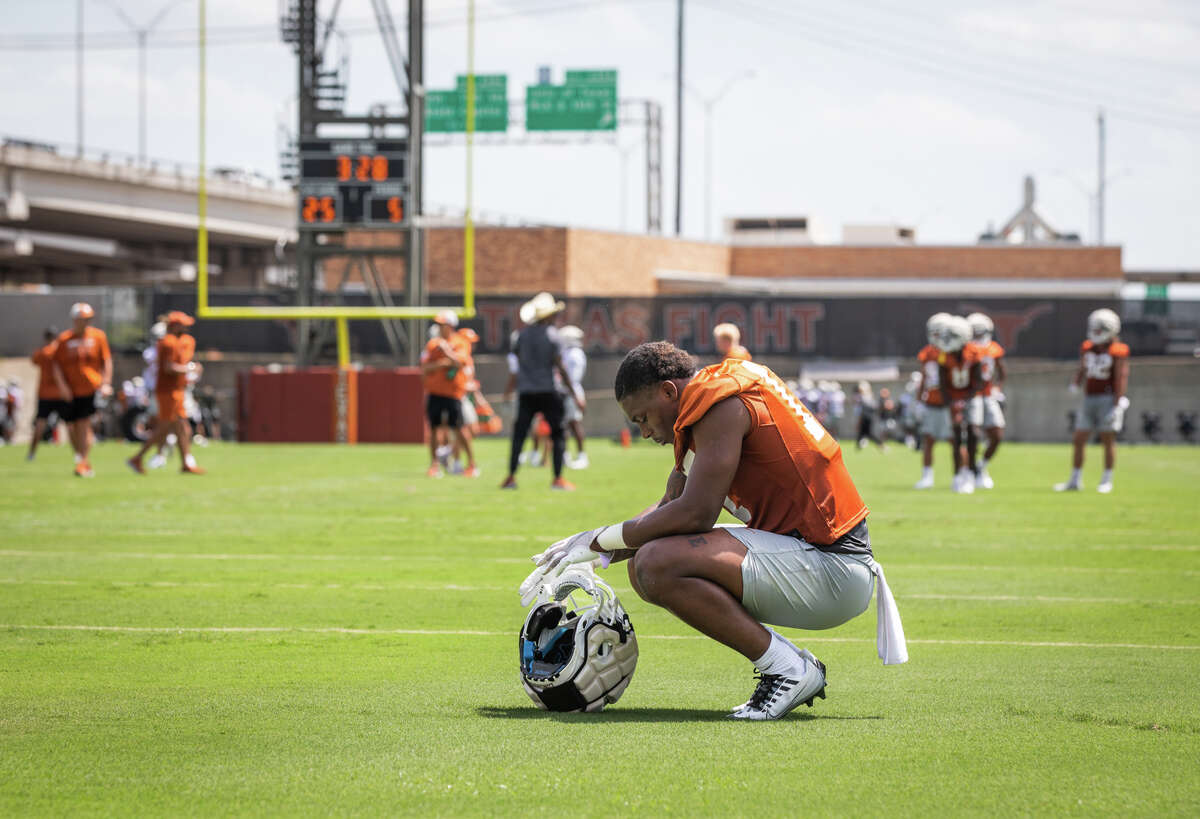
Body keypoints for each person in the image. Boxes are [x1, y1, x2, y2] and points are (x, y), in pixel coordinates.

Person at [519, 342, 906, 720]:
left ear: (668, 392)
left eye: (642, 417)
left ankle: (788, 669)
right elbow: (670, 506)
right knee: (644, 560)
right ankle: (790, 665)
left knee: (657, 562)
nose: (643, 431)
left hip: (834, 567)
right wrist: (594, 551)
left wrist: (600, 537)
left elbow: (696, 514)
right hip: (812, 557)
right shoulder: (707, 400)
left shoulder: (719, 406)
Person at [501, 292, 584, 491]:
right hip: (548, 391)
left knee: (519, 435)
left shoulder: (521, 336)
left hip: (527, 391)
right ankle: (557, 479)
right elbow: (561, 368)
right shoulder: (554, 337)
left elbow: (518, 365)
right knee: (557, 434)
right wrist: (574, 393)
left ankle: (511, 477)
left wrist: (511, 389)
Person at [1055, 308, 1129, 493]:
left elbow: (1120, 377)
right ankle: (1075, 479)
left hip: (1107, 398)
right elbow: (1083, 367)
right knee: (1079, 438)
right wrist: (1076, 382)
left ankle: (1106, 480)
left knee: (1107, 439)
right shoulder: (1087, 347)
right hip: (1089, 397)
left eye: (1099, 329)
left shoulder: (1118, 350)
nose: (1096, 333)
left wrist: (1118, 402)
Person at [127, 311, 205, 475]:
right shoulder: (168, 342)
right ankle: (138, 457)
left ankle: (186, 462)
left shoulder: (179, 341)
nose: (187, 327)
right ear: (174, 326)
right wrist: (190, 369)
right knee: (165, 426)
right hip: (167, 391)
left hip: (178, 389)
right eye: (183, 324)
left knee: (182, 427)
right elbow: (169, 368)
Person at [51, 302, 113, 477]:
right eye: (81, 319)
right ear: (74, 320)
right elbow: (56, 365)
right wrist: (62, 386)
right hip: (70, 391)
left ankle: (83, 461)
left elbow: (106, 361)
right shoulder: (64, 340)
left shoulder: (98, 337)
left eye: (87, 319)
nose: (85, 322)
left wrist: (106, 383)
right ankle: (80, 458)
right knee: (71, 426)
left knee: (84, 424)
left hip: (89, 388)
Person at [420, 310, 478, 479]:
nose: (439, 327)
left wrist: (446, 353)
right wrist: (443, 363)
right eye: (438, 324)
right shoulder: (432, 344)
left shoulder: (460, 342)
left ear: (450, 326)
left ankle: (471, 464)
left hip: (454, 393)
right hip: (435, 392)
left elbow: (459, 363)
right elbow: (425, 368)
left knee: (460, 429)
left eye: (442, 324)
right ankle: (434, 465)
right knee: (434, 429)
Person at [937, 316, 982, 494]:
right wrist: (951, 403)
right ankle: (957, 475)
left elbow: (978, 382)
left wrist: (965, 401)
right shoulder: (944, 355)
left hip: (971, 397)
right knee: (956, 437)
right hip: (952, 398)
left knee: (973, 433)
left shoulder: (974, 352)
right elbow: (942, 383)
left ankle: (970, 473)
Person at [965, 313, 1006, 489]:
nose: (977, 337)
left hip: (988, 394)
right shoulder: (964, 350)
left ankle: (981, 466)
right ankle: (969, 471)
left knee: (997, 434)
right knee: (972, 435)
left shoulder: (993, 348)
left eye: (979, 333)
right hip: (970, 396)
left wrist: (998, 387)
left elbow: (1001, 371)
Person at [914, 313, 952, 489]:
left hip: (949, 403)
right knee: (928, 441)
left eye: (939, 333)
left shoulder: (953, 352)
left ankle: (964, 475)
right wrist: (919, 401)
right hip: (931, 402)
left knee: (955, 441)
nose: (936, 337)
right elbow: (924, 377)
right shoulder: (927, 353)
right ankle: (927, 476)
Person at [28, 327, 67, 461]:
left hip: (44, 394)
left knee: (40, 424)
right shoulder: (61, 352)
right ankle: (79, 456)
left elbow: (34, 360)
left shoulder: (42, 352)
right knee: (71, 423)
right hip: (61, 393)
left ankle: (31, 453)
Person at [559, 325, 589, 469]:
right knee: (563, 425)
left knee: (574, 423)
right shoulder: (567, 352)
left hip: (571, 393)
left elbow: (573, 377)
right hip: (565, 392)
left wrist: (574, 395)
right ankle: (565, 455)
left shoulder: (574, 354)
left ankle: (582, 455)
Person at [853, 381, 885, 451]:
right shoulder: (864, 397)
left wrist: (860, 419)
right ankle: (859, 445)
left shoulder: (866, 397)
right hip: (865, 416)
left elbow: (870, 408)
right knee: (862, 432)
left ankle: (880, 444)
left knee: (869, 433)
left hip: (867, 417)